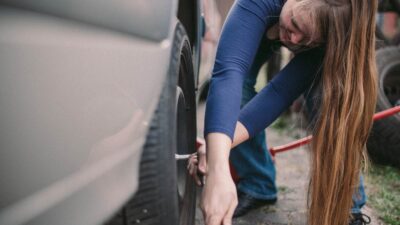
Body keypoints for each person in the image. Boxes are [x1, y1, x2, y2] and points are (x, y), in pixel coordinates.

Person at [189, 0, 378, 225]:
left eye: (307, 39)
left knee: (333, 100)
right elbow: (228, 73)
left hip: (319, 38)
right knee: (235, 94)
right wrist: (218, 165)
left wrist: (217, 149)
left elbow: (278, 93)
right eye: (296, 23)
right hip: (256, 28)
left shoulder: (331, 31)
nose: (295, 40)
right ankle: (258, 183)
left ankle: (349, 207)